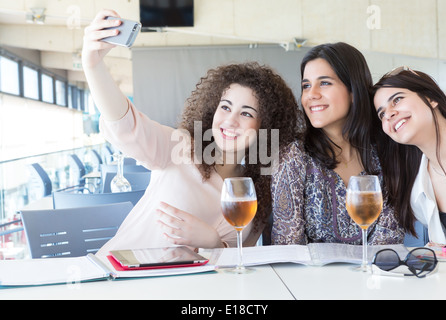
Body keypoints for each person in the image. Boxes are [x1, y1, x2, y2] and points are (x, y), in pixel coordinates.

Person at [82, 9, 303, 254]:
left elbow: (240, 261)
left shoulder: (255, 192)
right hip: (118, 279)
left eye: (246, 113)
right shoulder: (181, 148)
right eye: (226, 107)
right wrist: (93, 66)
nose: (230, 121)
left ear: (267, 127)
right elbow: (126, 125)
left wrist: (213, 243)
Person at [271, 42, 404, 245]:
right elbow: (287, 244)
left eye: (324, 83)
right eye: (306, 85)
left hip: (375, 274)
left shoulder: (388, 151)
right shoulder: (294, 156)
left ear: (353, 90)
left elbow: (388, 240)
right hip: (307, 277)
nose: (311, 94)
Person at [372, 66, 446, 244]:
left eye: (397, 100)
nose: (389, 114)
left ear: (430, 98)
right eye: (381, 114)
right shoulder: (418, 192)